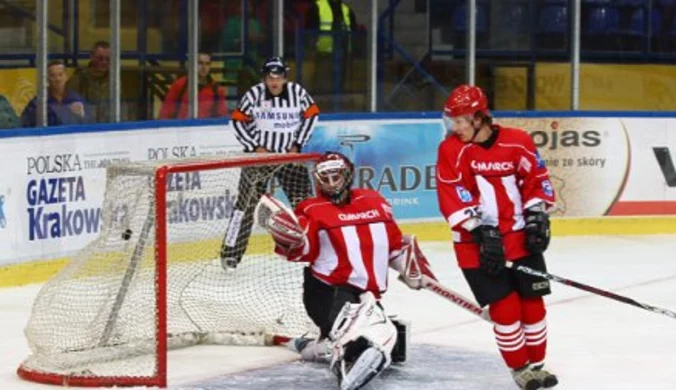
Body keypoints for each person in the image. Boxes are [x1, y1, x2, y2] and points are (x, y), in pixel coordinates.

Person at [263, 151, 423, 390]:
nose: (330, 184)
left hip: (365, 295)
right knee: (369, 331)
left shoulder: (374, 201)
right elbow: (302, 252)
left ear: (347, 176)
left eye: (335, 177)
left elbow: (393, 244)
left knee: (369, 326)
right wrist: (290, 240)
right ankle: (343, 357)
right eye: (324, 178)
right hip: (327, 292)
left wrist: (409, 267)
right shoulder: (310, 208)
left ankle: (320, 348)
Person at [435, 84, 558, 390]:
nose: (456, 127)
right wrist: (480, 229)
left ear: (480, 118)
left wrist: (536, 217)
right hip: (475, 245)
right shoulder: (451, 149)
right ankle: (520, 369)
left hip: (519, 238)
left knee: (533, 304)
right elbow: (451, 193)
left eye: (462, 120)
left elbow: (536, 180)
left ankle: (537, 366)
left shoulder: (518, 141)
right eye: (453, 120)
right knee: (505, 308)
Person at [220, 56, 320, 269]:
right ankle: (230, 253)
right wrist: (255, 146)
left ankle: (317, 248)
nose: (274, 81)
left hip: (289, 159)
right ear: (264, 78)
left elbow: (312, 115)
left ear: (285, 77)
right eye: (270, 77)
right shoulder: (254, 94)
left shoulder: (298, 92)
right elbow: (237, 121)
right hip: (258, 160)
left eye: (279, 77)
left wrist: (298, 144)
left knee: (306, 204)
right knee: (244, 205)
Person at [305, 0, 357, 100]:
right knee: (323, 85)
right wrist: (311, 49)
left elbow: (354, 32)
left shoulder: (347, 10)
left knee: (341, 84)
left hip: (344, 55)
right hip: (324, 53)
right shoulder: (317, 7)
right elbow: (309, 31)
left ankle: (339, 105)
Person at [158, 51, 229, 120]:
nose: (204, 67)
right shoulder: (179, 85)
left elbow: (222, 116)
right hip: (181, 128)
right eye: (200, 63)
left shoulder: (216, 90)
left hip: (205, 129)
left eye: (207, 64)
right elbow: (165, 113)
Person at [21, 61, 92, 128]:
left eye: (60, 75)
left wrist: (82, 116)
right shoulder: (39, 102)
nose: (57, 79)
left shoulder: (76, 99)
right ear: (47, 79)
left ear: (66, 77)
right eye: (53, 75)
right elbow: (24, 124)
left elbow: (90, 125)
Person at [67, 41, 111, 123]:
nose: (104, 62)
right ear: (92, 57)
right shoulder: (79, 79)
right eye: (100, 58)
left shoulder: (113, 81)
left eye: (108, 59)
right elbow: (69, 107)